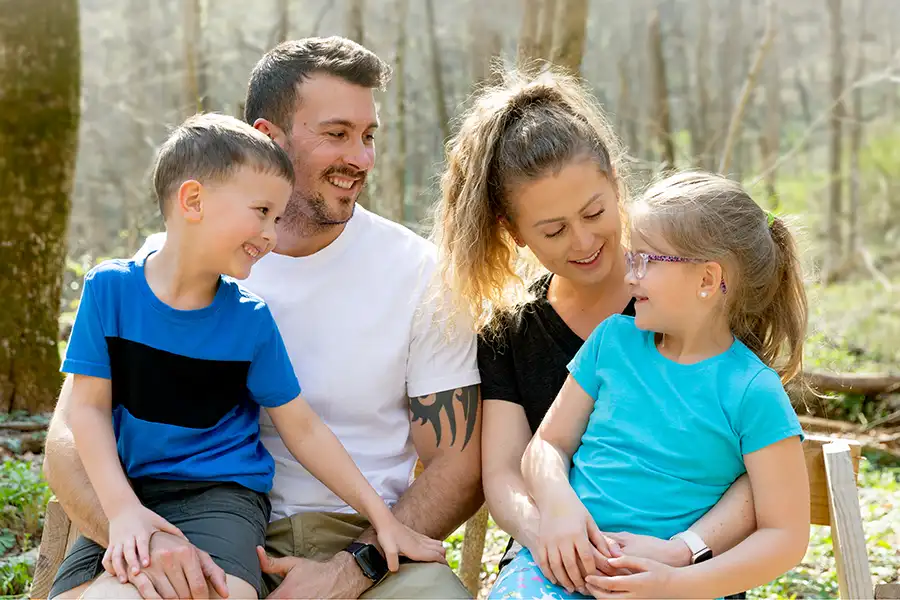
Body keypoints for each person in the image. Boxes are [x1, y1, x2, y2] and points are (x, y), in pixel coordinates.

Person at [43, 37, 482, 600]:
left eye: (369, 136)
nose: (362, 158)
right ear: (267, 137)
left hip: (355, 540)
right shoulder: (162, 267)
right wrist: (141, 540)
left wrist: (356, 566)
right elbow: (73, 426)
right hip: (172, 520)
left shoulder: (418, 273)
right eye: (336, 133)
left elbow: (452, 462)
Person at [431, 69, 792, 598]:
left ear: (615, 182)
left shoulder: (690, 296)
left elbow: (758, 475)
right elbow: (510, 468)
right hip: (552, 555)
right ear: (514, 233)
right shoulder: (516, 328)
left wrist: (681, 554)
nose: (583, 240)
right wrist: (554, 534)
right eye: (553, 230)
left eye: (595, 211)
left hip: (685, 565)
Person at [495, 169, 810, 599]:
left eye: (647, 260)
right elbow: (548, 445)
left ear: (706, 279)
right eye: (633, 257)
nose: (630, 276)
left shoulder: (752, 390)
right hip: (558, 572)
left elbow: (785, 535)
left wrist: (676, 581)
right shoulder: (612, 341)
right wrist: (558, 505)